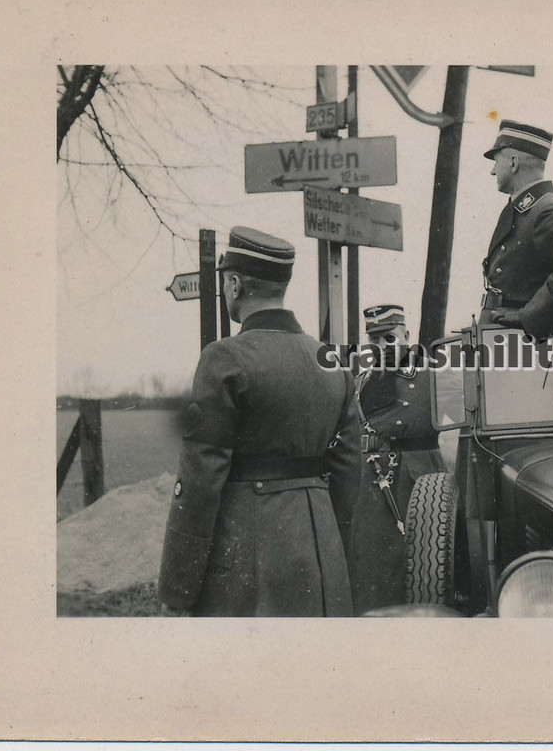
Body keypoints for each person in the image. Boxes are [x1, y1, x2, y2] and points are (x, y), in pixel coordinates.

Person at [158, 226, 361, 617]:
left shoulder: (225, 359)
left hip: (248, 562)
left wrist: (178, 590)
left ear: (234, 285)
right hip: (321, 557)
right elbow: (349, 473)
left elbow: (200, 480)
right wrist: (332, 548)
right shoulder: (333, 363)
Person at [347, 305, 447, 614]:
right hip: (371, 483)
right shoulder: (361, 380)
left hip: (417, 482)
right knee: (371, 567)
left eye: (388, 338)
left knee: (421, 564)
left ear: (405, 335)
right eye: (374, 341)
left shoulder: (433, 375)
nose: (381, 347)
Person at [480, 120, 553, 339]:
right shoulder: (524, 209)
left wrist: (529, 317)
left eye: (496, 162)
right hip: (507, 342)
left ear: (513, 163)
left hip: (527, 347)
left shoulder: (545, 210)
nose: (493, 171)